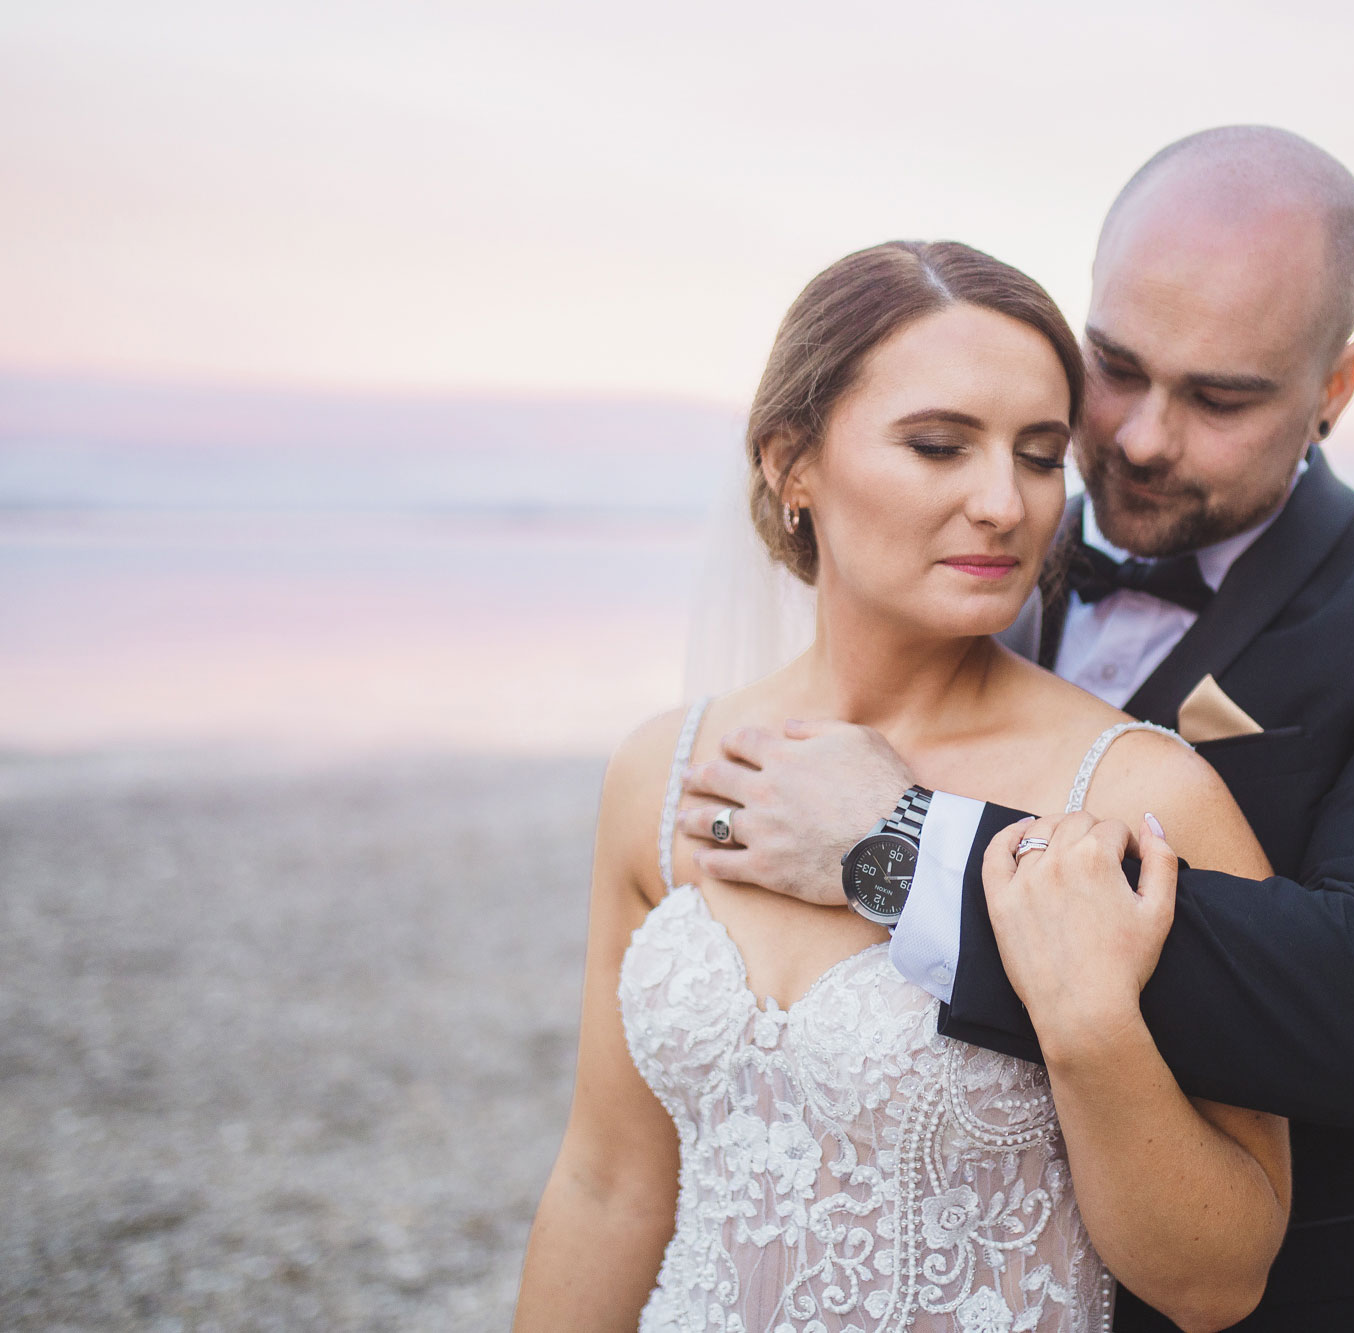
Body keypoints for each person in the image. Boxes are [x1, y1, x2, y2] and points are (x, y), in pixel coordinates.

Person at [674, 127, 1354, 1329]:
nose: (1139, 437)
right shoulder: (973, 550)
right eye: (1118, 368)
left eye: (1220, 397)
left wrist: (904, 846)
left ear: (1334, 388)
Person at [513, 239, 1294, 1333]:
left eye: (1035, 456)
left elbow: (1218, 1279)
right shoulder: (667, 770)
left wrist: (1083, 1020)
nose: (1004, 504)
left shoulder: (1136, 793)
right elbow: (608, 1182)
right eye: (938, 446)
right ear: (793, 465)